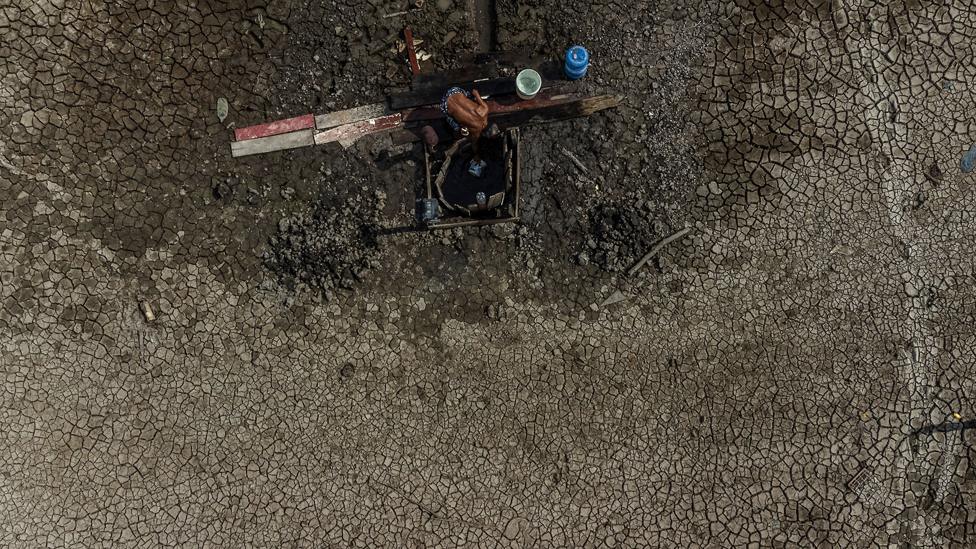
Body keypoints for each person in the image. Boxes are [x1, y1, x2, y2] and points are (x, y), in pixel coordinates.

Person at [441, 86, 489, 176]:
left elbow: (475, 92)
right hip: (444, 105)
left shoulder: (485, 109)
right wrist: (477, 155)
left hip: (454, 91)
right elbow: (474, 145)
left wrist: (472, 100)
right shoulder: (475, 132)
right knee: (457, 128)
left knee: (466, 100)